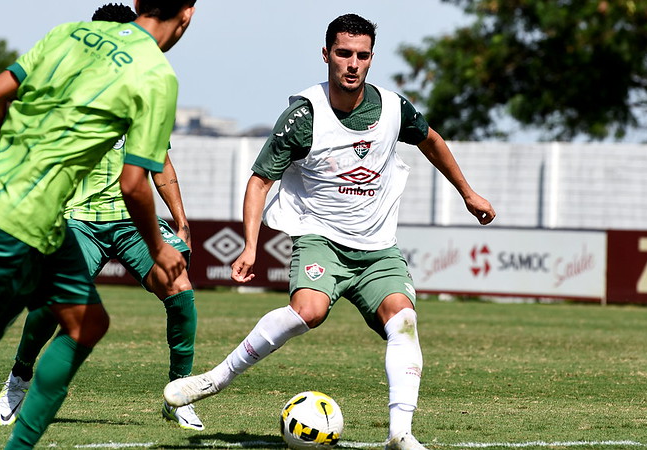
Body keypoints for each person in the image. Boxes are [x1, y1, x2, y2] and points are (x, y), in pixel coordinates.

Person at [163, 13, 495, 450]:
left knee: (404, 321)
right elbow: (260, 181)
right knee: (309, 311)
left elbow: (431, 139)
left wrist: (468, 193)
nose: (352, 64)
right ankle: (214, 379)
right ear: (326, 54)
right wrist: (250, 246)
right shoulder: (304, 115)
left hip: (377, 248)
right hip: (321, 239)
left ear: (371, 58)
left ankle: (400, 433)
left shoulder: (393, 108)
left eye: (362, 55)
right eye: (343, 53)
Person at [0, 1, 196, 448]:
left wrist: (5, 157)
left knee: (88, 322)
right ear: (188, 14)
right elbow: (134, 183)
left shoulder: (67, 34)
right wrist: (160, 246)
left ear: (138, 5)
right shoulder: (155, 74)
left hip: (21, 203)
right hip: (27, 213)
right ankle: (17, 380)